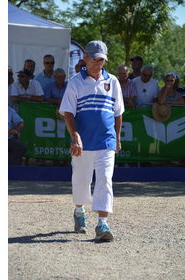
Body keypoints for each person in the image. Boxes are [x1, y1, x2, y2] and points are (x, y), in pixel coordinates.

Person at [59, 40, 125, 242]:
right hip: (83, 142)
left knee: (105, 179)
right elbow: (68, 112)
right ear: (85, 58)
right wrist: (75, 135)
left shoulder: (112, 81)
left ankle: (103, 223)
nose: (98, 64)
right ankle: (79, 211)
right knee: (81, 180)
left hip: (106, 140)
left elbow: (118, 112)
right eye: (94, 59)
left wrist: (117, 137)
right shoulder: (75, 82)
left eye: (101, 60)